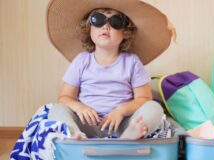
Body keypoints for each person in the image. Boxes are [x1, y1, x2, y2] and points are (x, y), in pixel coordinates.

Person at [46, 0, 174, 140]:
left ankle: (129, 136)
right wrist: (80, 107)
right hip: (86, 124)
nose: (105, 26)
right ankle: (75, 135)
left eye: (115, 22)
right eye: (98, 19)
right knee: (56, 110)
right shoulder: (81, 61)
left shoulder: (132, 62)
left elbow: (144, 98)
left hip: (122, 124)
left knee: (154, 108)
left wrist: (121, 110)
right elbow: (65, 97)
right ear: (89, 28)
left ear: (125, 32)